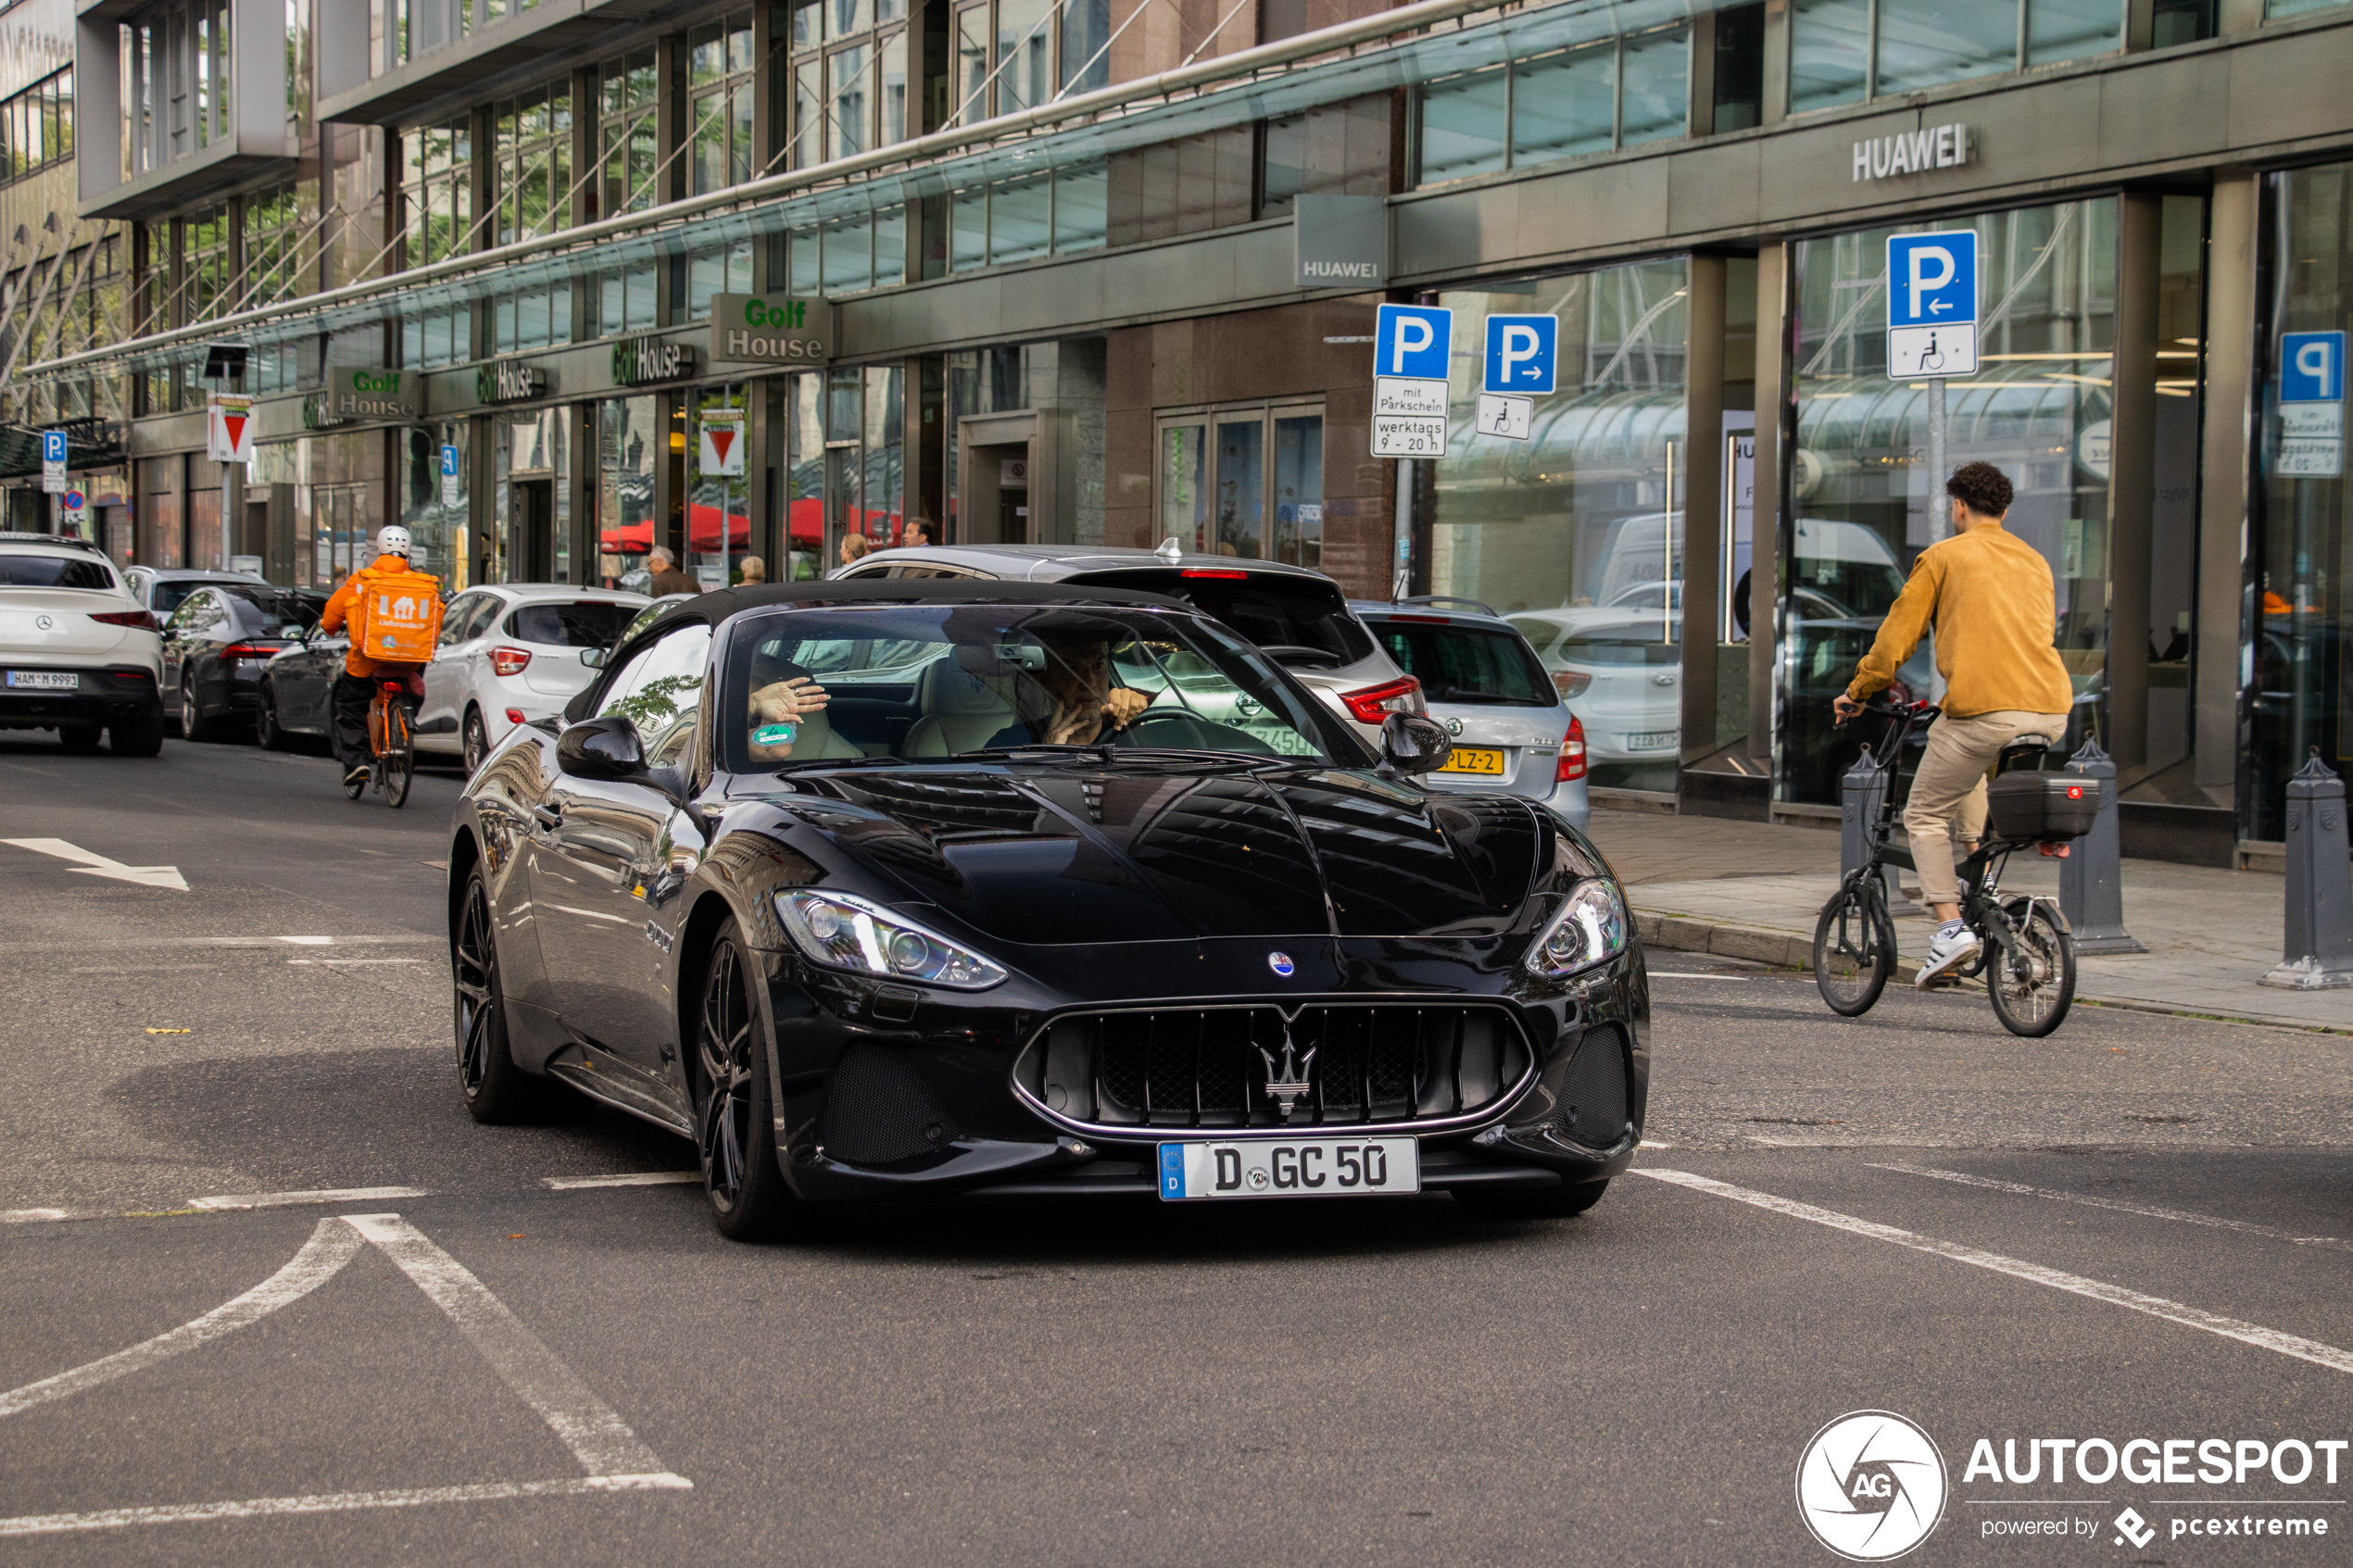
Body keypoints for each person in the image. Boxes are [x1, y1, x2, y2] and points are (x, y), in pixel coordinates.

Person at [1834, 461, 2074, 986]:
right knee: (1963, 770)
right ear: (2004, 510)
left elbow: (1897, 640)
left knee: (1922, 816)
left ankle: (1950, 931)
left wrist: (1857, 692)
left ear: (1958, 507)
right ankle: (1981, 889)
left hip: (1987, 710)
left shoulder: (1943, 556)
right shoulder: (2035, 561)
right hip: (2050, 710)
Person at [318, 525, 436, 793]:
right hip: (409, 660)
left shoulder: (363, 579)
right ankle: (402, 726)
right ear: (408, 553)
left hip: (369, 659)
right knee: (410, 689)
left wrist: (329, 628)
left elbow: (332, 615)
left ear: (379, 549)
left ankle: (356, 762)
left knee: (350, 706)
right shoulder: (423, 582)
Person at [988, 631, 1151, 747]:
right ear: (1044, 679)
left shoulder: (1127, 734)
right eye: (1072, 669)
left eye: (1098, 666)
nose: (1089, 683)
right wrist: (1046, 758)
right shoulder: (1009, 745)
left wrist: (1134, 721)